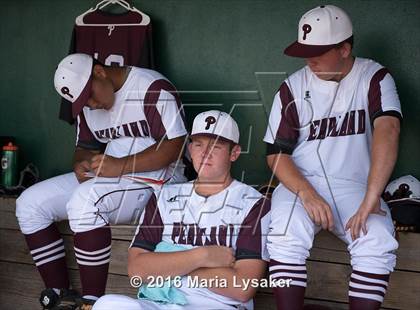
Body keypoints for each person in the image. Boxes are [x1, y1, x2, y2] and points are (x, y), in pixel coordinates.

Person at [15, 53, 188, 309]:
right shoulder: (86, 106)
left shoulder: (151, 87)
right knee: (29, 203)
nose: (91, 104)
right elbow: (85, 147)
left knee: (84, 202)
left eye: (90, 95)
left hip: (159, 181)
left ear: (100, 72)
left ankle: (91, 302)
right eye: (83, 101)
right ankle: (62, 296)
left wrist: (120, 165)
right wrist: (81, 163)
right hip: (111, 175)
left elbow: (175, 146)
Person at [264, 5, 401, 310]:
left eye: (318, 51)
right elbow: (276, 154)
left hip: (354, 186)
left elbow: (388, 130)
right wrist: (308, 194)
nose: (308, 59)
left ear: (344, 48)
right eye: (305, 50)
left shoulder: (374, 77)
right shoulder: (292, 87)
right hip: (301, 183)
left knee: (376, 238)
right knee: (285, 232)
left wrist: (371, 196)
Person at [92, 110, 271, 309]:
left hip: (216, 305)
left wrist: (169, 266)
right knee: (107, 304)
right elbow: (138, 270)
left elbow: (243, 287)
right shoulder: (164, 196)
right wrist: (203, 256)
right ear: (190, 149)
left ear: (234, 153)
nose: (205, 153)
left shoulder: (253, 203)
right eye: (198, 144)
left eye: (216, 146)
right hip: (160, 303)